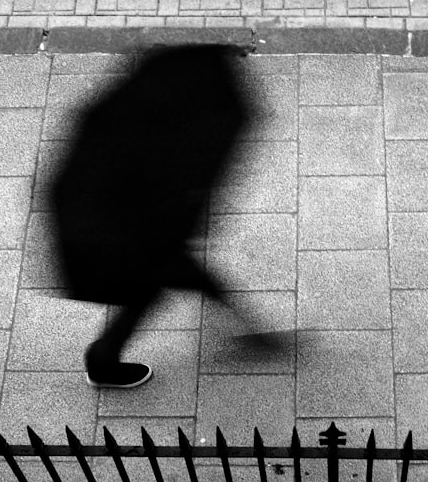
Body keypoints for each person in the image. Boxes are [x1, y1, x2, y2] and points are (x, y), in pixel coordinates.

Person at [50, 43, 273, 388]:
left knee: (157, 283)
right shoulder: (183, 131)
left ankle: (106, 357)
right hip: (129, 231)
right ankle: (105, 358)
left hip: (112, 221)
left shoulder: (141, 108)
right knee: (158, 282)